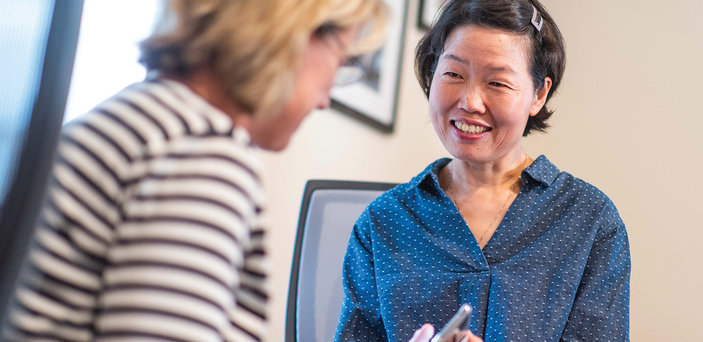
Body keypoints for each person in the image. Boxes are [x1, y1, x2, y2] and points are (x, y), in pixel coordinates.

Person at [4, 0, 387, 340]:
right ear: (292, 34)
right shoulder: (202, 153)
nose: (327, 98)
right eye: (343, 61)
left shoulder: (136, 118)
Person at [335, 0, 630, 341]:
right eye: (454, 75)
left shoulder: (588, 221)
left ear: (539, 94)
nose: (470, 102)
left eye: (497, 83)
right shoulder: (383, 224)